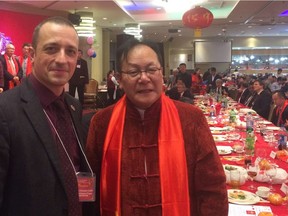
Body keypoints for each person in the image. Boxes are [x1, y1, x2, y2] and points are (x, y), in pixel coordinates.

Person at [86, 38, 228, 215]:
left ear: (162, 75)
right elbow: (90, 189)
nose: (144, 78)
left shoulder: (191, 119)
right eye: (133, 71)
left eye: (151, 69)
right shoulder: (102, 122)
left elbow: (213, 189)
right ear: (120, 80)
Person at [0, 17, 94, 216]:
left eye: (70, 51)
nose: (62, 59)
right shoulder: (5, 110)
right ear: (33, 54)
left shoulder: (73, 106)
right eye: (51, 49)